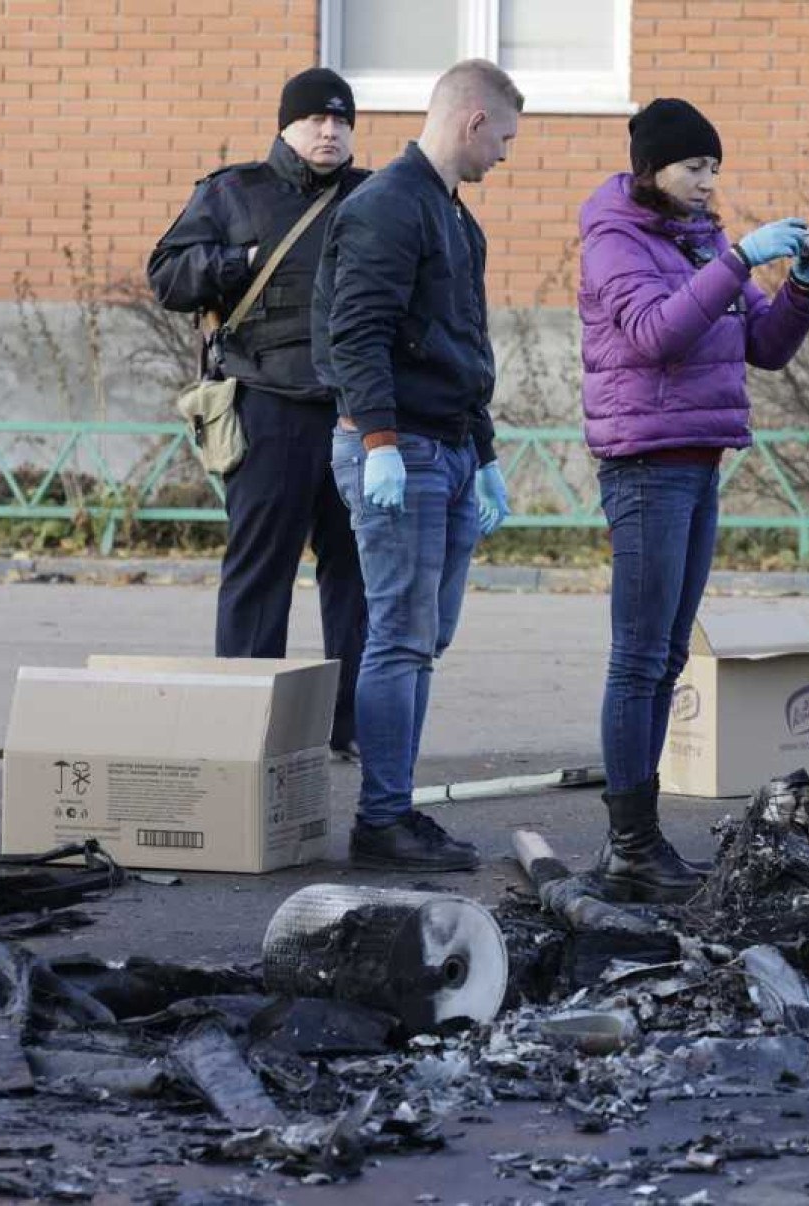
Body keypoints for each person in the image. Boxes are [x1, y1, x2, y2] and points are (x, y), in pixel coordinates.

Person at [578, 98, 809, 901]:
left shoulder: (703, 240)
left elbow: (763, 346)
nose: (707, 181)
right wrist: (739, 261)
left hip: (698, 460)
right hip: (646, 464)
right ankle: (630, 843)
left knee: (664, 658)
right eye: (694, 166)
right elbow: (654, 333)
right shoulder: (615, 238)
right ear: (652, 168)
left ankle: (639, 843)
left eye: (715, 168)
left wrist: (800, 286)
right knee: (639, 656)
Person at [311, 59, 521, 871]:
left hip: (451, 449)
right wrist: (379, 444)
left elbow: (463, 344)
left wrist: (487, 454)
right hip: (401, 450)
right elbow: (354, 335)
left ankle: (393, 811)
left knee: (422, 639)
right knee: (398, 639)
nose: (505, 153)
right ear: (472, 122)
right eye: (503, 137)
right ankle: (382, 820)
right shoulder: (390, 206)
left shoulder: (453, 218)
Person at [148, 67, 369, 759]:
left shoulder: (376, 197)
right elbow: (166, 275)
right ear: (285, 125)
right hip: (266, 406)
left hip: (354, 414)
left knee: (358, 579)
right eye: (314, 120)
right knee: (259, 574)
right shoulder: (233, 191)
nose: (328, 132)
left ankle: (350, 729)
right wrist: (235, 261)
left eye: (340, 121)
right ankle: (244, 728)